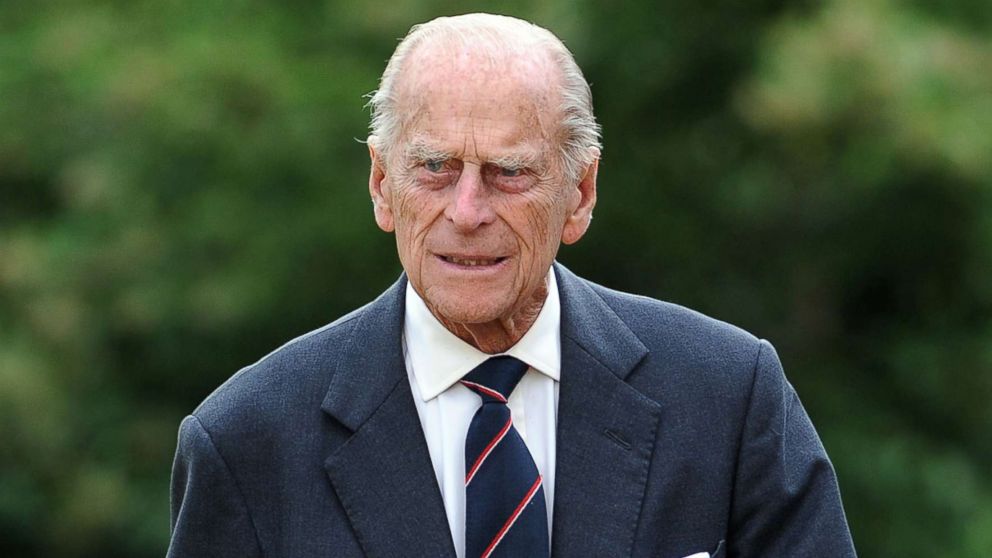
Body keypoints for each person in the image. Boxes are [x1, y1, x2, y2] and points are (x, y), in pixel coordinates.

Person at [168, 13, 856, 558]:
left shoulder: (728, 399)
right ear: (382, 185)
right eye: (435, 167)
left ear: (580, 193)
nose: (466, 212)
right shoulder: (247, 443)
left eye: (509, 172)